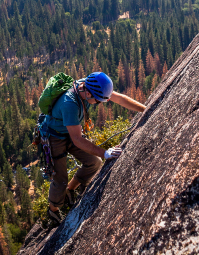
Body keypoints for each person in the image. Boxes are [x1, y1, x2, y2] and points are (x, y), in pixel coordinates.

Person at [42, 72, 146, 225]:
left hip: (70, 131)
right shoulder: (69, 103)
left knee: (94, 163)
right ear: (88, 92)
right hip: (54, 137)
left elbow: (119, 98)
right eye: (97, 101)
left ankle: (71, 190)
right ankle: (53, 210)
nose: (99, 103)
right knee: (60, 179)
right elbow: (77, 140)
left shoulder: (90, 86)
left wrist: (146, 109)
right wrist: (104, 152)